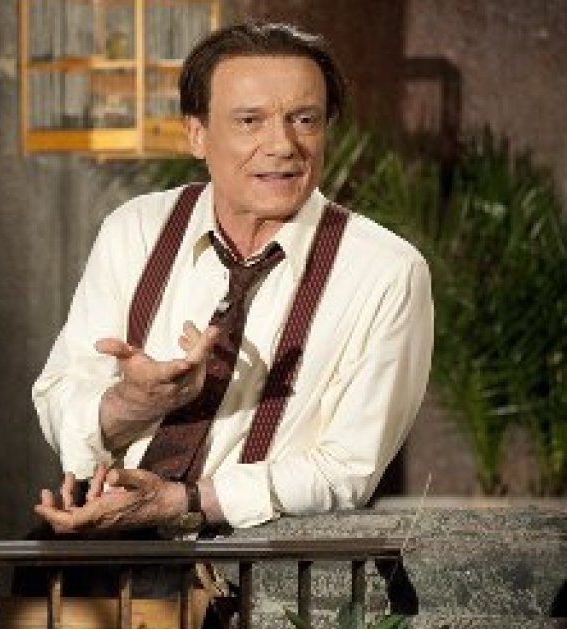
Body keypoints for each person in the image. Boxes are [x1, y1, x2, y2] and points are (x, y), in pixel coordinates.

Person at [32, 21, 433, 537]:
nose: (283, 144)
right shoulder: (136, 229)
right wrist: (130, 405)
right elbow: (58, 396)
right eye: (250, 121)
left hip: (258, 568)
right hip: (98, 542)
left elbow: (347, 469)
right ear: (196, 134)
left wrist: (182, 501)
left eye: (304, 120)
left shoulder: (386, 272)